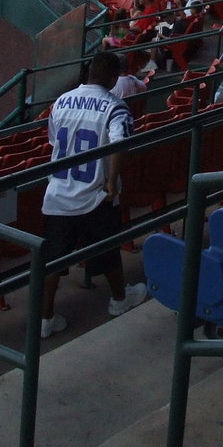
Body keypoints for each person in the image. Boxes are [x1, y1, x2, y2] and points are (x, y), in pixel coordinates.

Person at [37, 52, 150, 339]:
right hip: (95, 195)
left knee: (53, 260)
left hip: (59, 193)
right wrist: (112, 181)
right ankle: (119, 300)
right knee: (107, 249)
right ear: (112, 78)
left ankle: (45, 319)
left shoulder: (61, 101)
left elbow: (54, 140)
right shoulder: (116, 106)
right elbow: (120, 143)